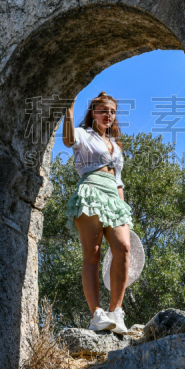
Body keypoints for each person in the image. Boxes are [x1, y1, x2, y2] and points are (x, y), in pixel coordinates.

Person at [62, 91, 133, 334]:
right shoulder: (83, 134)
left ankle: (116, 312)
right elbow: (69, 140)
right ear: (93, 113)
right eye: (104, 111)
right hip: (91, 189)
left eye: (112, 112)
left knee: (123, 248)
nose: (109, 115)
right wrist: (69, 111)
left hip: (114, 197)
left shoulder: (115, 145)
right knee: (92, 254)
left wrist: (124, 212)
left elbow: (120, 181)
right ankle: (96, 314)